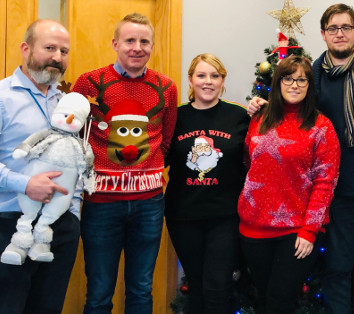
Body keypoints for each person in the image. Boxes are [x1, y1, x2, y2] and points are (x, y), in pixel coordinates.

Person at [248, 4, 354, 313]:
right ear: (323, 34)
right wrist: (262, 105)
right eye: (333, 28)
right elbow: (291, 108)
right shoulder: (313, 73)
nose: (340, 33)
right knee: (337, 266)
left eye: (346, 27)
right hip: (334, 188)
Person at [72, 12, 178, 313]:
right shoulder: (89, 83)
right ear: (115, 43)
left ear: (152, 46)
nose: (137, 47)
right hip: (101, 203)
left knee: (142, 290)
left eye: (145, 41)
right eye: (130, 40)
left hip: (149, 204)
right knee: (99, 291)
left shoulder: (166, 88)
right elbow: (72, 136)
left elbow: (166, 141)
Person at [239, 55, 340, 313]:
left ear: (309, 86)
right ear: (278, 82)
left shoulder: (321, 126)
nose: (294, 85)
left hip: (295, 231)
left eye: (301, 80)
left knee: (280, 301)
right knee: (262, 298)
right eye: (287, 78)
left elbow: (325, 182)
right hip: (253, 228)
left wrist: (309, 230)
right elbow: (247, 163)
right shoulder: (259, 119)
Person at [0, 19, 78, 313]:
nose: (57, 57)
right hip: (9, 224)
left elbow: (75, 157)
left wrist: (74, 212)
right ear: (26, 49)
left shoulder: (67, 103)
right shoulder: (2, 97)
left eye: (64, 50)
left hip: (60, 229)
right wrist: (26, 184)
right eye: (49, 48)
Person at [165, 53, 249, 313]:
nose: (208, 82)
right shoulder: (175, 118)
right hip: (183, 216)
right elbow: (159, 158)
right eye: (201, 75)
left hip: (225, 216)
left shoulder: (239, 116)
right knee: (197, 284)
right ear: (190, 80)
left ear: (223, 81)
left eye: (215, 76)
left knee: (218, 285)